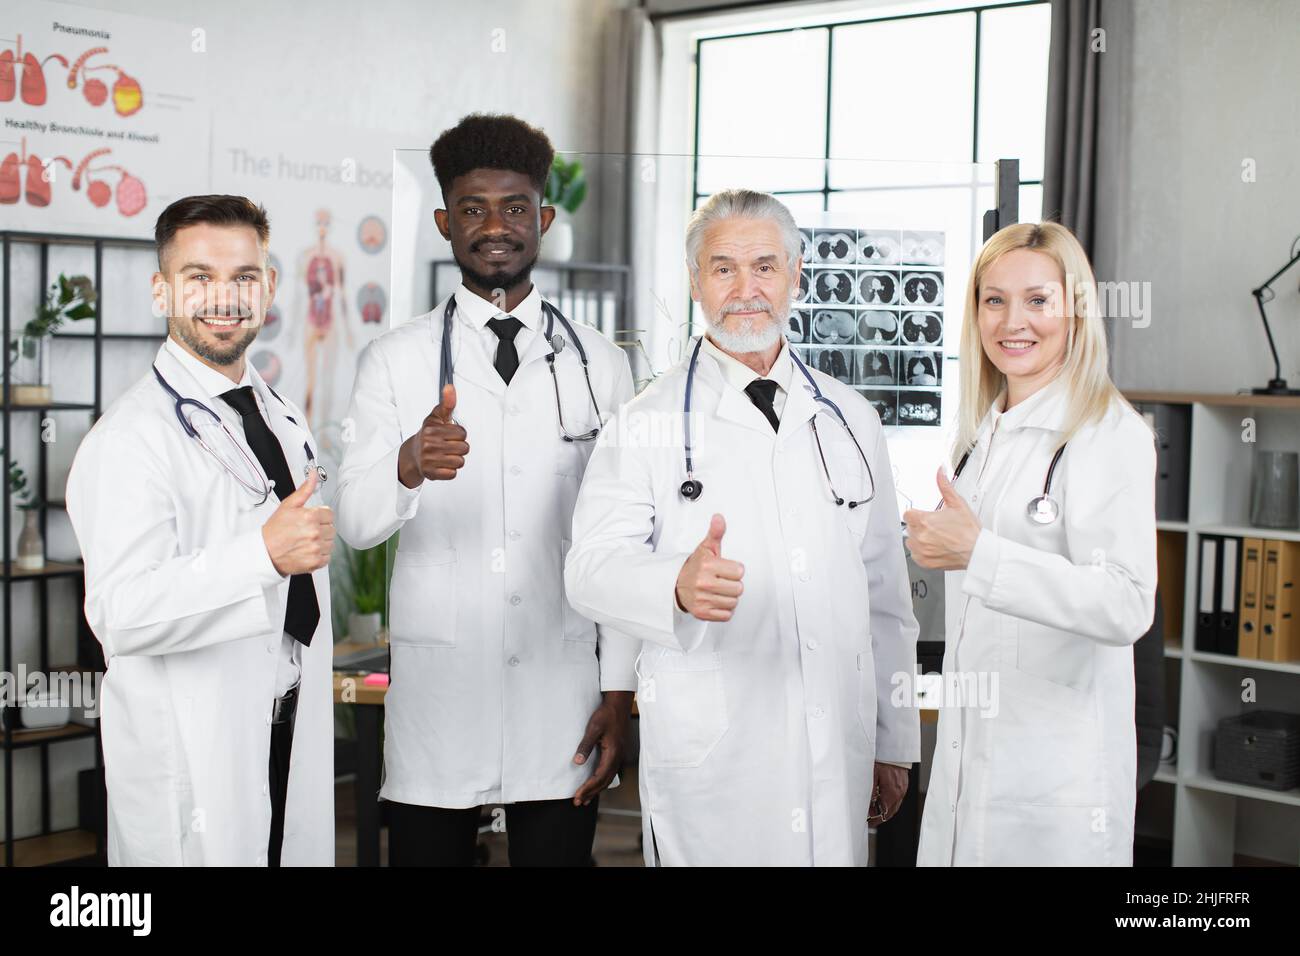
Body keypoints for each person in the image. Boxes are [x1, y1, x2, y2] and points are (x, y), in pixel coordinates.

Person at [564, 188, 919, 866]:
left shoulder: (849, 417)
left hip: (834, 749)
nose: (746, 288)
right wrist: (674, 584)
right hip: (714, 759)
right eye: (723, 267)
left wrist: (892, 741)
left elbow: (883, 597)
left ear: (796, 275)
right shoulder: (646, 421)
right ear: (696, 281)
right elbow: (588, 568)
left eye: (764, 266)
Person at [333, 114, 637, 867]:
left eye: (514, 207)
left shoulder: (600, 363)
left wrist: (620, 692)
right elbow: (355, 522)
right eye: (472, 209)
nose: (494, 226)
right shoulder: (394, 362)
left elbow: (629, 538)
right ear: (445, 222)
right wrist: (406, 463)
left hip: (561, 691)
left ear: (544, 218)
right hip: (442, 695)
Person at [66, 195, 335, 866]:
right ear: (162, 290)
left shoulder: (276, 415)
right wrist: (261, 558)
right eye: (198, 277)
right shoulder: (129, 439)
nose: (225, 297)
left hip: (283, 723)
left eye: (244, 276)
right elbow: (120, 614)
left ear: (268, 287)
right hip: (193, 748)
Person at [905, 221, 1156, 866]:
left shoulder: (1106, 432)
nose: (1013, 321)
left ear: (1074, 309)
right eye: (995, 300)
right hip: (971, 764)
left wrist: (979, 554)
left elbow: (1127, 603)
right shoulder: (983, 436)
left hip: (1054, 786)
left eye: (1038, 300)